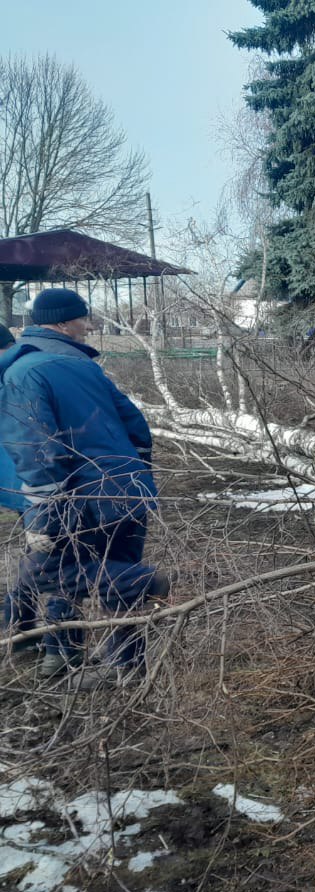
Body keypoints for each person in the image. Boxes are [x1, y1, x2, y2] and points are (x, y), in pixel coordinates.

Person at [0, 288, 168, 687]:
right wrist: (131, 473)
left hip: (83, 501)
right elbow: (138, 429)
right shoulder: (81, 366)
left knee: (53, 574)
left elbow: (38, 455)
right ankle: (125, 669)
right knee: (114, 577)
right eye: (84, 318)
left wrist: (41, 520)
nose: (90, 325)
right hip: (127, 491)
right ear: (61, 324)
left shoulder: (21, 375)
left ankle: (147, 582)